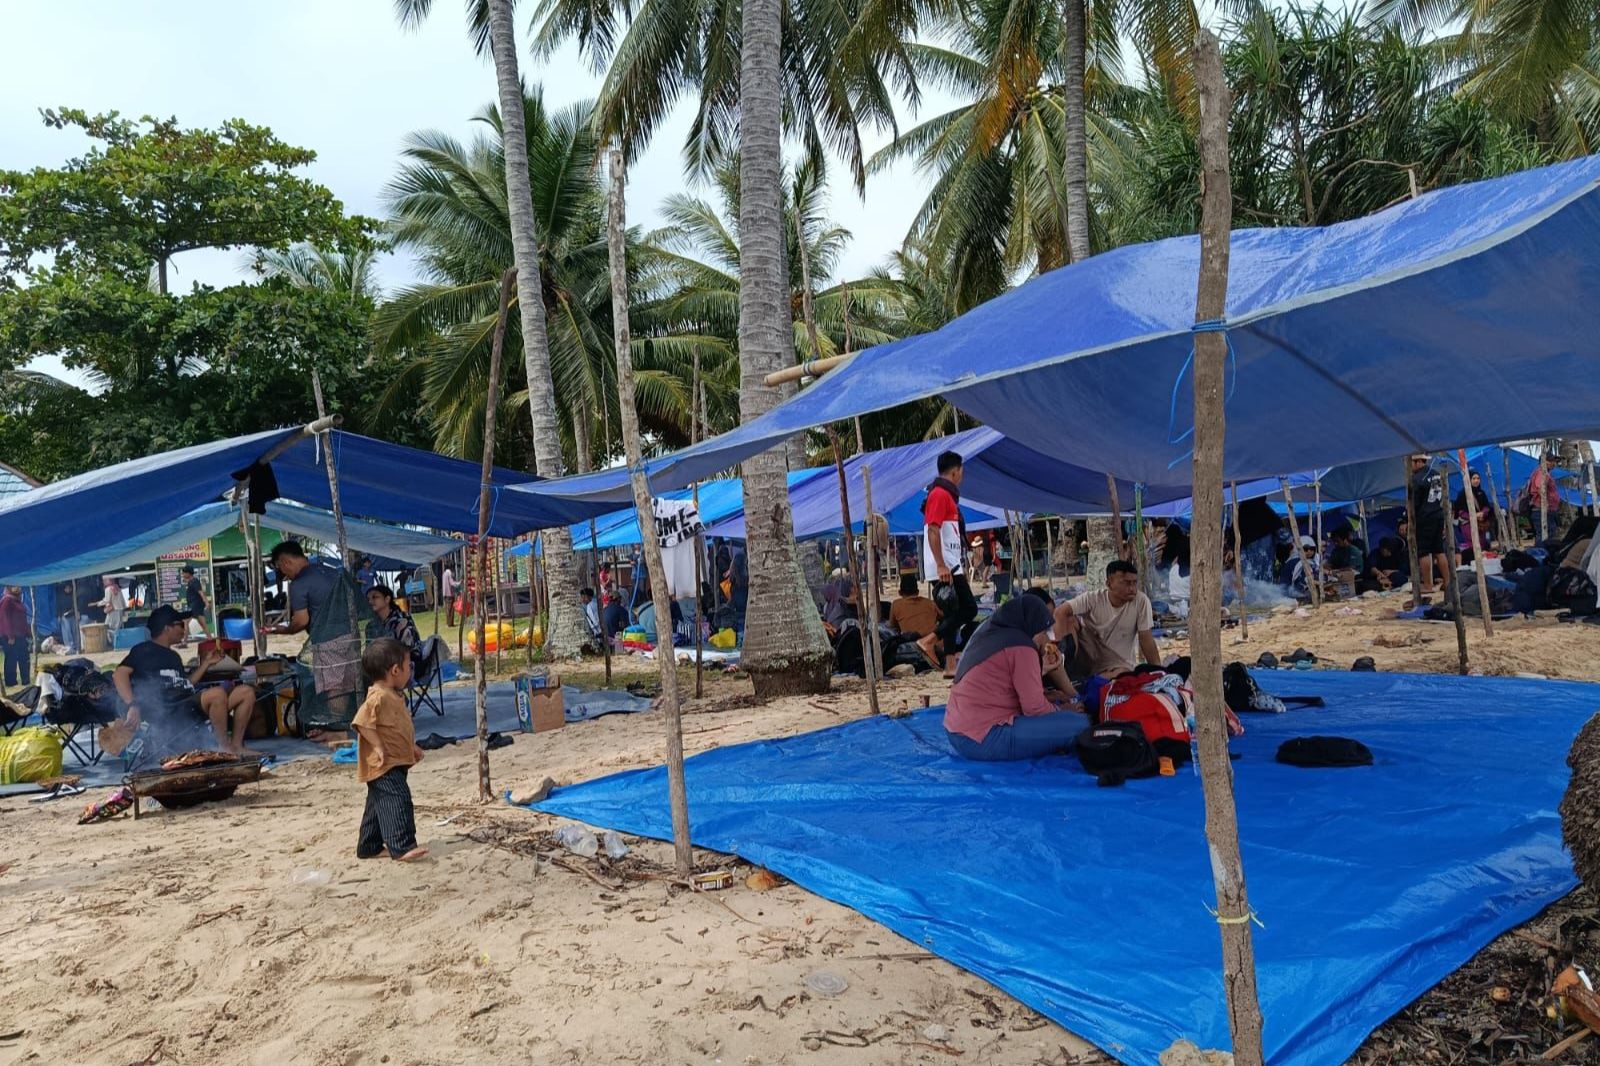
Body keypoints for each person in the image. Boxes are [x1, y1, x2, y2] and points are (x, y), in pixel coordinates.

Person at [943, 596, 1087, 762]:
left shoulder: (988, 631)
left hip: (956, 731)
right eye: (1043, 631)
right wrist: (1063, 710)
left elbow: (1002, 689)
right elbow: (1034, 709)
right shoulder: (1022, 647)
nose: (1047, 638)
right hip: (983, 739)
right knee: (1078, 724)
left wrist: (1051, 698)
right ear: (1032, 625)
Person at [114, 605, 260, 754]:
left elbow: (185, 684)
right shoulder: (143, 650)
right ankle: (224, 747)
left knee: (245, 692)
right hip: (168, 710)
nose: (185, 629)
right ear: (167, 628)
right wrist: (133, 705)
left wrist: (206, 664)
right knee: (216, 693)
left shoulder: (173, 656)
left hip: (187, 705)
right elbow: (119, 674)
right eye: (181, 625)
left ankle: (236, 746)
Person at [352, 638, 427, 862]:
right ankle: (402, 846)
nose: (409, 672)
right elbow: (362, 722)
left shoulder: (390, 695)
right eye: (408, 667)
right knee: (397, 800)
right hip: (384, 763)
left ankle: (369, 846)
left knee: (377, 804)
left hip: (395, 760)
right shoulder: (378, 696)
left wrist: (411, 746)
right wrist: (378, 746)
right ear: (395, 670)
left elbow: (395, 727)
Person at [1051, 559, 1159, 714]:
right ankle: (1064, 672)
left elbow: (1146, 639)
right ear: (1109, 583)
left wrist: (1159, 672)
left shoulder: (1141, 602)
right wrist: (1058, 652)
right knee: (1069, 619)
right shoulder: (1092, 598)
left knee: (1121, 675)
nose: (1133, 589)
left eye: (1134, 583)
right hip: (1088, 659)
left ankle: (1083, 687)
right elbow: (1060, 612)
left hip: (1118, 666)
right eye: (1127, 583)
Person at [918, 450, 978, 677]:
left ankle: (950, 665)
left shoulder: (946, 495)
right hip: (945, 565)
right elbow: (933, 530)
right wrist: (942, 564)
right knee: (969, 608)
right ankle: (930, 640)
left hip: (950, 563)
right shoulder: (940, 494)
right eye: (962, 470)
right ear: (956, 470)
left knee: (953, 613)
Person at [1410, 454, 1451, 597]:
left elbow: (1414, 503)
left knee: (1423, 551)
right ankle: (1447, 582)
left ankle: (1428, 584)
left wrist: (1409, 519)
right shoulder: (1436, 475)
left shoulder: (1416, 479)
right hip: (1438, 514)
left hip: (1424, 517)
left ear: (1418, 461)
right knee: (1439, 550)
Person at [365, 584, 420, 655]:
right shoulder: (371, 626)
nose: (370, 601)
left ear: (387, 599)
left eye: (375, 597)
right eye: (368, 599)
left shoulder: (402, 620)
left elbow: (409, 651)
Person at [1455, 471, 1495, 559]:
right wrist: (1473, 515)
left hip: (1480, 524)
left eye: (1478, 478)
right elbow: (1459, 510)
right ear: (1469, 480)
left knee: (1482, 543)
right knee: (1473, 545)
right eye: (1473, 478)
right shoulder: (1462, 493)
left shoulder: (1481, 493)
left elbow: (1487, 506)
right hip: (1467, 524)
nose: (1476, 481)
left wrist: (1482, 513)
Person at [888, 573, 940, 639]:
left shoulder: (896, 604)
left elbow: (892, 626)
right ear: (917, 592)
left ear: (900, 592)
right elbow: (942, 617)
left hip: (912, 644)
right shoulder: (930, 603)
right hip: (935, 643)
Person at [0, 586, 30, 690]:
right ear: (8, 588)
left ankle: (26, 680)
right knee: (11, 659)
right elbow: (5, 619)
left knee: (24, 658)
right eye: (14, 586)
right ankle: (11, 682)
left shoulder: (18, 600)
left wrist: (27, 632)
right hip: (10, 637)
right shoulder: (7, 600)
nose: (17, 588)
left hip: (20, 635)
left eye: (18, 586)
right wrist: (10, 636)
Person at [181, 565, 210, 638]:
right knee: (203, 624)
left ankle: (184, 642)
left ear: (188, 573)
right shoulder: (191, 581)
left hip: (195, 605)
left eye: (184, 573)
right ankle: (210, 639)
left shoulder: (194, 581)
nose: (183, 574)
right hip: (195, 605)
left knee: (186, 621)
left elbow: (201, 592)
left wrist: (206, 602)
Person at [442, 562, 459, 627]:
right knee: (451, 609)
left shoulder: (444, 574)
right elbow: (452, 583)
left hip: (445, 594)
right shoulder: (449, 574)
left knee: (447, 609)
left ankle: (448, 623)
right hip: (450, 593)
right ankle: (450, 623)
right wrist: (458, 583)